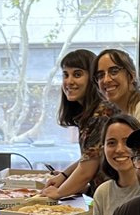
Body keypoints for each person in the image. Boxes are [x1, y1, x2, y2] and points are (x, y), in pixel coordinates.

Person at [43, 49, 114, 200]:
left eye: (77, 74)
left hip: (113, 198)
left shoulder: (100, 114)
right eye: (65, 75)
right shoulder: (89, 113)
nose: (69, 82)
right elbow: (90, 156)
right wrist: (63, 176)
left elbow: (88, 169)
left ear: (93, 78)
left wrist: (59, 193)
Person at [89, 114, 140, 215]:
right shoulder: (102, 193)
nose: (119, 149)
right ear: (103, 148)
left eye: (127, 142)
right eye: (112, 143)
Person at [93, 48, 140, 125]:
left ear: (131, 76)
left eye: (114, 71)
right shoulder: (123, 112)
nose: (106, 80)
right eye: (100, 75)